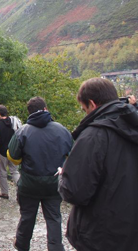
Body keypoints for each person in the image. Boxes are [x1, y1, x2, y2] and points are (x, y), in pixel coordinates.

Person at [58, 78, 138, 251]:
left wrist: (64, 177)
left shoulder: (94, 136)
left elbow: (75, 191)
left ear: (92, 104)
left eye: (84, 108)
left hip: (101, 235)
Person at [7, 97, 72, 251]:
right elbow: (73, 156)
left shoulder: (23, 131)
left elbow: (13, 156)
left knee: (27, 216)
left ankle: (22, 245)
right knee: (54, 217)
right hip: (54, 183)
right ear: (45, 108)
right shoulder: (62, 130)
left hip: (29, 183)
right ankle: (56, 247)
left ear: (29, 112)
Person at [0, 105, 20, 199]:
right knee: (14, 171)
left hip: (3, 151)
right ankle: (20, 190)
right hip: (14, 151)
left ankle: (4, 192)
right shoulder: (14, 122)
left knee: (3, 172)